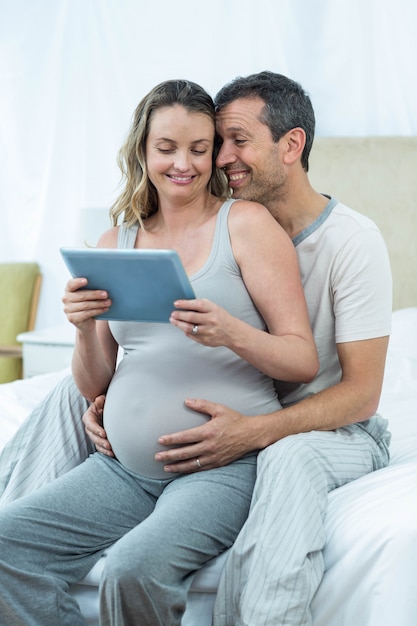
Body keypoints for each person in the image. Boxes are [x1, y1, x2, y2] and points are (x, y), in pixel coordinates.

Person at [0, 70, 392, 624]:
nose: (186, 162)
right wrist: (86, 329)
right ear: (143, 151)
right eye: (167, 148)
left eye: (203, 148)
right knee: (5, 544)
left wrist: (228, 330)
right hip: (125, 470)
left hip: (220, 464)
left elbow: (309, 363)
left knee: (131, 569)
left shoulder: (256, 225)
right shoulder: (119, 241)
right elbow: (96, 381)